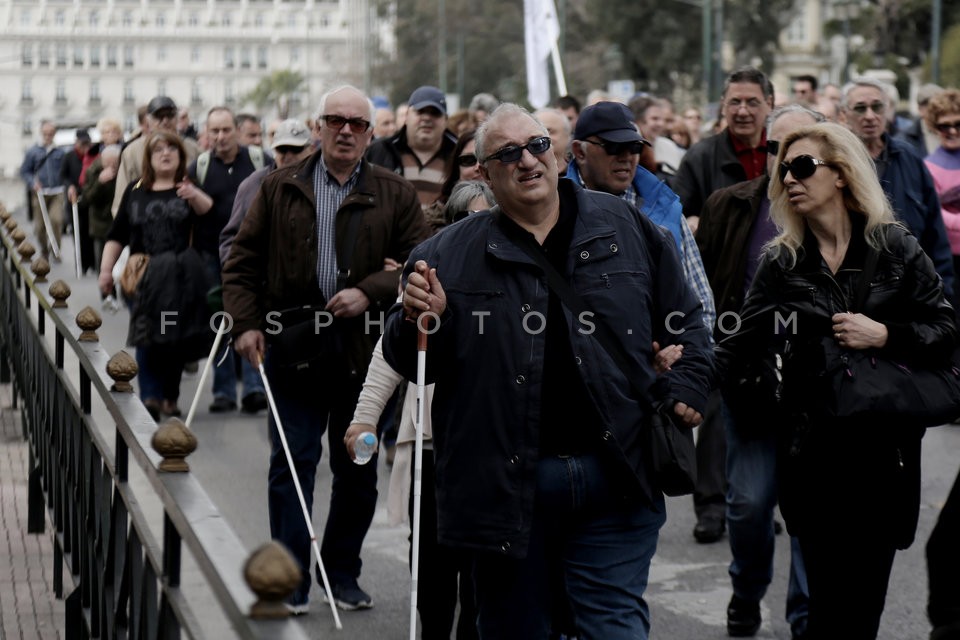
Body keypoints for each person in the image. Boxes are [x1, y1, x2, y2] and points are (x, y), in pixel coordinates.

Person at [382, 103, 713, 639]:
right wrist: (421, 318)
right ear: (484, 173)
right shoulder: (442, 254)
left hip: (618, 472)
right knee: (517, 629)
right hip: (506, 486)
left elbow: (689, 321)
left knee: (614, 627)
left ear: (558, 155)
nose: (527, 161)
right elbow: (410, 359)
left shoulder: (626, 226)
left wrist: (688, 383)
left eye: (536, 146)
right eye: (507, 154)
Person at [717, 121, 956, 639]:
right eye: (784, 170)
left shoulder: (893, 245)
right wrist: (683, 386)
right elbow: (740, 344)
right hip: (814, 453)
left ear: (842, 174)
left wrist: (885, 334)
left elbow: (945, 328)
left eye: (803, 166)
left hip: (883, 454)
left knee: (863, 608)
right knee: (824, 609)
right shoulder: (781, 260)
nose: (790, 179)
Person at [222, 85, 429, 614]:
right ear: (317, 126)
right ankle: (287, 579)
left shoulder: (395, 191)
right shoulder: (278, 186)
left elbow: (419, 264)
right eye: (334, 120)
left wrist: (371, 291)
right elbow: (241, 262)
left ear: (369, 131)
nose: (345, 130)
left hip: (366, 355)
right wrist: (245, 324)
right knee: (291, 462)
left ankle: (340, 572)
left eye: (356, 123)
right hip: (292, 346)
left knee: (357, 467)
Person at [696, 104, 825, 639]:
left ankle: (804, 617)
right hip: (749, 383)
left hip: (820, 392)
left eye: (801, 155)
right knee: (748, 506)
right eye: (775, 151)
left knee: (811, 515)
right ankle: (747, 589)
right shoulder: (729, 206)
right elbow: (696, 288)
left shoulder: (843, 214)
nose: (785, 164)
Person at [344, 185, 494, 640]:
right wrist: (364, 418)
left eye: (488, 217)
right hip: (432, 439)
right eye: (470, 217)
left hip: (492, 441)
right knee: (430, 560)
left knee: (480, 571)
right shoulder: (428, 272)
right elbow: (391, 353)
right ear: (451, 223)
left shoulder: (516, 272)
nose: (480, 226)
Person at [564, 101, 715, 338]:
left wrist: (685, 362)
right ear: (580, 151)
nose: (627, 157)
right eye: (614, 147)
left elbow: (701, 305)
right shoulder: (554, 209)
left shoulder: (666, 209)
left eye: (634, 147)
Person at [97, 131, 215, 420]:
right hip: (143, 279)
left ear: (180, 155)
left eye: (171, 149)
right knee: (148, 334)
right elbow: (117, 234)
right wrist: (105, 271)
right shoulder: (136, 191)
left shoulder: (188, 187)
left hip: (178, 280)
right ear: (148, 158)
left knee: (171, 335)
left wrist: (194, 195)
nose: (165, 154)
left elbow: (208, 215)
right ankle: (150, 394)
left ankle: (169, 396)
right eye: (158, 150)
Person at [839, 77, 955, 296]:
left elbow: (934, 230)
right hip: (858, 292)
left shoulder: (908, 156)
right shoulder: (837, 164)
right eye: (860, 108)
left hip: (912, 288)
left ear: (888, 111)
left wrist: (944, 290)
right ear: (844, 115)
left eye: (877, 106)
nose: (870, 116)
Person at [187, 106, 268, 414]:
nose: (220, 137)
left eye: (226, 130)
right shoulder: (201, 167)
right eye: (214, 131)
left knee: (252, 318)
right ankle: (223, 392)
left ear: (237, 130)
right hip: (211, 255)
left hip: (252, 257)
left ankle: (253, 388)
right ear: (207, 133)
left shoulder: (260, 161)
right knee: (220, 324)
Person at [675, 67, 775, 235]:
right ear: (723, 106)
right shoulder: (699, 157)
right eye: (735, 102)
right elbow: (676, 214)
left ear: (769, 104)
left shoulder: (782, 153)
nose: (743, 112)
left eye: (752, 102)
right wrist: (691, 222)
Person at [219, 118, 314, 267]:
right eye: (282, 149)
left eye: (296, 149)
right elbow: (231, 241)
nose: (288, 156)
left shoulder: (324, 185)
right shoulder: (254, 184)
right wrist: (241, 279)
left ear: (311, 149)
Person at [366, 85, 459, 208]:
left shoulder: (460, 157)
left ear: (445, 120)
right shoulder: (381, 151)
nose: (426, 118)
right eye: (420, 112)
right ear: (407, 116)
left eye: (435, 113)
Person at [113, 96, 201, 218]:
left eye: (169, 115)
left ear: (176, 118)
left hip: (186, 219)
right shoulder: (132, 151)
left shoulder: (193, 148)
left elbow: (203, 189)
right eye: (159, 116)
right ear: (148, 121)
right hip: (145, 219)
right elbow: (121, 197)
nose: (165, 121)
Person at [923, 88, 960, 309]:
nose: (952, 131)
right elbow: (934, 210)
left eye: (958, 123)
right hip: (948, 261)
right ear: (934, 127)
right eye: (944, 125)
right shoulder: (928, 166)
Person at [20, 120, 66, 261]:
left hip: (57, 192)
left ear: (54, 134)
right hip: (39, 193)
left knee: (56, 220)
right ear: (41, 133)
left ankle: (56, 250)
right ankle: (44, 250)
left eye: (51, 133)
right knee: (40, 226)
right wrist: (33, 183)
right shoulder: (32, 152)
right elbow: (24, 171)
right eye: (45, 133)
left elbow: (65, 171)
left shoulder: (60, 151)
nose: (48, 136)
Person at [82, 144, 122, 274]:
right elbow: (87, 199)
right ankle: (105, 292)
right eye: (107, 162)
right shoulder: (93, 171)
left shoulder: (123, 170)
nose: (110, 165)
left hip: (118, 221)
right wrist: (100, 182)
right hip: (100, 222)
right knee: (102, 260)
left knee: (120, 259)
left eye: (114, 162)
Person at [533, 108, 572, 176]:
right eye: (537, 134)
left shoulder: (581, 173)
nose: (543, 139)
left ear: (567, 135)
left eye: (549, 131)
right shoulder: (529, 175)